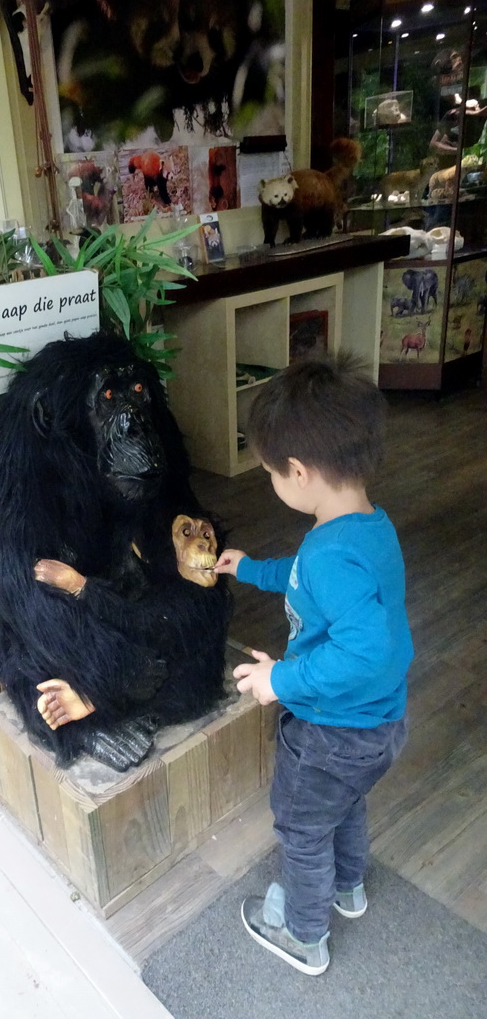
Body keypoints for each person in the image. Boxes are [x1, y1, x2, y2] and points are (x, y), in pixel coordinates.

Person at [214, 354, 412, 976]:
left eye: (271, 472)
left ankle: (305, 934)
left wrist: (281, 680)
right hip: (379, 726)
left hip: (330, 732)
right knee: (345, 806)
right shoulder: (364, 528)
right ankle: (347, 889)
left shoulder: (329, 554)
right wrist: (250, 568)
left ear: (297, 471)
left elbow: (363, 650)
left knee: (302, 828)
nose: (273, 480)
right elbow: (307, 583)